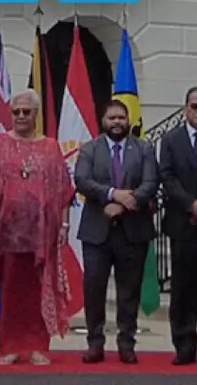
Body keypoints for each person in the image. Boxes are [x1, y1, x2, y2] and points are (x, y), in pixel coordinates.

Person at [0, 89, 74, 366]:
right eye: (16, 112)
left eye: (26, 112)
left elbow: (64, 190)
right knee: (11, 292)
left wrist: (63, 224)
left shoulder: (51, 147)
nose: (20, 116)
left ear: (36, 114)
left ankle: (39, 346)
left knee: (40, 289)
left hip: (42, 235)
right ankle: (10, 346)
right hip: (7, 235)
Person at [74, 98, 158, 365]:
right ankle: (95, 343)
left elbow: (151, 182)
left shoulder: (143, 148)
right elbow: (82, 180)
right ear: (103, 121)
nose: (117, 122)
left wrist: (123, 204)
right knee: (94, 289)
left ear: (128, 120)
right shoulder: (90, 148)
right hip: (96, 231)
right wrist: (111, 195)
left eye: (121, 118)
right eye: (112, 118)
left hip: (133, 230)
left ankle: (126, 343)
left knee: (128, 291)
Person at [160, 85, 197, 366]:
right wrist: (191, 204)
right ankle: (184, 342)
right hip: (183, 222)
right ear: (186, 108)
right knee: (182, 287)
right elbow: (167, 177)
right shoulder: (171, 138)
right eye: (194, 106)